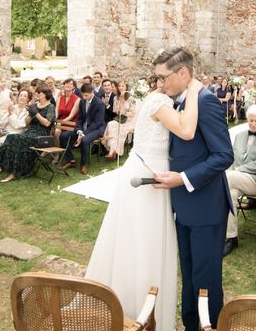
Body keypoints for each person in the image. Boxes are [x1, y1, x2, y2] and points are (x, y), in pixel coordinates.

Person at [85, 75, 204, 331]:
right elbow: (186, 130)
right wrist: (194, 93)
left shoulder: (154, 99)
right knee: (143, 240)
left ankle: (133, 305)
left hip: (148, 171)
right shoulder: (160, 100)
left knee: (135, 238)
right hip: (149, 177)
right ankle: (137, 307)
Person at [152, 47, 234, 331]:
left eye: (164, 78)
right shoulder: (180, 101)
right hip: (183, 205)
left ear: (183, 73)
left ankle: (208, 325)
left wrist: (183, 178)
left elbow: (224, 155)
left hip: (206, 207)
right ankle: (190, 326)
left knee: (205, 278)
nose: (161, 85)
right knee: (188, 272)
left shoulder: (206, 101)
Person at [223, 104, 256, 256]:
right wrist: (234, 169)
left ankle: (213, 225)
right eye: (251, 120)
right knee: (231, 194)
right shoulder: (240, 136)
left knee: (226, 177)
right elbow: (233, 158)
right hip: (236, 179)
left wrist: (237, 170)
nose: (253, 124)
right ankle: (231, 237)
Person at [0, 85, 56, 183]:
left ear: (46, 95)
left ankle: (16, 172)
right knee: (11, 137)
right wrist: (30, 114)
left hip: (42, 134)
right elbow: (26, 123)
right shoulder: (35, 105)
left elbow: (47, 123)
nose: (37, 94)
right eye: (37, 92)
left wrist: (36, 114)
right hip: (30, 131)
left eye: (39, 93)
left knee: (21, 140)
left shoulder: (50, 106)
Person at [103, 81, 136, 159]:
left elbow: (133, 113)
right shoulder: (115, 97)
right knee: (111, 124)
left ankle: (114, 151)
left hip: (129, 120)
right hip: (120, 119)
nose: (121, 87)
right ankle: (112, 151)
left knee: (120, 129)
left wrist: (124, 112)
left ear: (126, 87)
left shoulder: (131, 98)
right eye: (119, 86)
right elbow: (114, 110)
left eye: (123, 86)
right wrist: (118, 110)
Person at [54, 78, 80, 146]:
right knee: (55, 131)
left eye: (70, 84)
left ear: (74, 87)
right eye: (66, 83)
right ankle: (56, 150)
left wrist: (61, 123)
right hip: (60, 121)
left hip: (71, 122)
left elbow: (71, 116)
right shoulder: (60, 98)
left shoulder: (77, 99)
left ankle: (58, 150)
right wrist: (56, 120)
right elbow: (56, 110)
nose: (68, 85)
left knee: (57, 131)